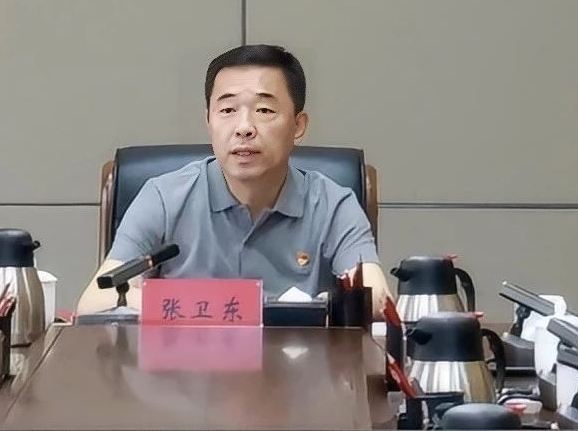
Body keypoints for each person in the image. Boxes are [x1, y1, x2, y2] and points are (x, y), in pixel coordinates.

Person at [76, 44, 391, 317]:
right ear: (209, 121)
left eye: (264, 110)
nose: (244, 127)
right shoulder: (163, 198)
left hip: (299, 366)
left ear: (298, 126)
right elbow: (95, 301)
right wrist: (229, 308)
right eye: (227, 110)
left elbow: (376, 299)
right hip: (185, 367)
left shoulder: (333, 205)